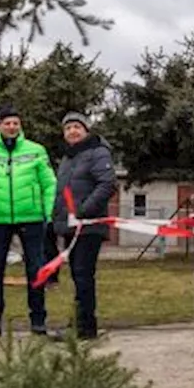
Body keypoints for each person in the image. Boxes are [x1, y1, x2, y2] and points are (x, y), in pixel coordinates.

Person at [0, 105, 57, 337]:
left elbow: (49, 183)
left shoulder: (36, 150)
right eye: (7, 123)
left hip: (31, 217)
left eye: (15, 123)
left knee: (36, 270)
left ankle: (38, 321)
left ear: (20, 126)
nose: (11, 127)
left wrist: (48, 214)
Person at [51, 112, 117, 340]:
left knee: (83, 274)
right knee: (78, 276)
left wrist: (83, 211)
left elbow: (107, 184)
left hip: (88, 226)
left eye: (77, 127)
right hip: (71, 227)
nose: (72, 131)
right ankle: (80, 322)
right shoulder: (68, 159)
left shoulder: (98, 153)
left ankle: (86, 327)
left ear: (86, 130)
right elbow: (63, 193)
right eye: (68, 128)